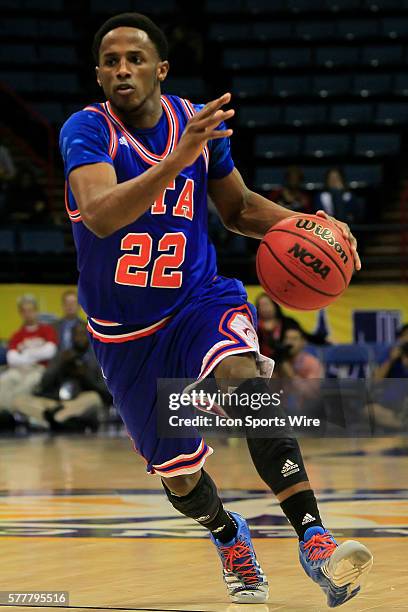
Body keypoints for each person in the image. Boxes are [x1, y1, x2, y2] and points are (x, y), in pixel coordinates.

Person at [59, 12, 370, 607]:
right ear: (99, 75)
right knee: (178, 475)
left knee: (246, 379)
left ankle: (315, 540)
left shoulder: (194, 123)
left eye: (135, 59)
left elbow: (240, 211)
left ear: (161, 69)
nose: (122, 69)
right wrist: (177, 159)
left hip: (197, 299)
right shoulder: (86, 129)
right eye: (110, 61)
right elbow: (100, 213)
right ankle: (229, 535)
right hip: (124, 333)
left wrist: (314, 225)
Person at [13, 321, 111, 432]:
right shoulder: (62, 355)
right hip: (56, 403)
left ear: (89, 335)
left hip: (78, 401)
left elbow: (106, 394)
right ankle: (61, 421)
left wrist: (85, 375)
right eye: (76, 334)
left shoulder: (96, 358)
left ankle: (52, 421)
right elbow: (44, 384)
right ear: (71, 337)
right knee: (18, 400)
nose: (80, 337)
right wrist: (60, 364)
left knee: (93, 398)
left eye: (83, 334)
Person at [0, 295, 58, 414]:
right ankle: (5, 414)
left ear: (36, 311)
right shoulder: (17, 335)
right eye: (24, 311)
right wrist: (36, 354)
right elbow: (11, 358)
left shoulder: (46, 330)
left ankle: (16, 414)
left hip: (39, 369)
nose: (28, 314)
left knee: (24, 386)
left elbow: (50, 351)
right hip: (18, 370)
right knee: (4, 381)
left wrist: (25, 354)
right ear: (20, 313)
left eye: (30, 310)